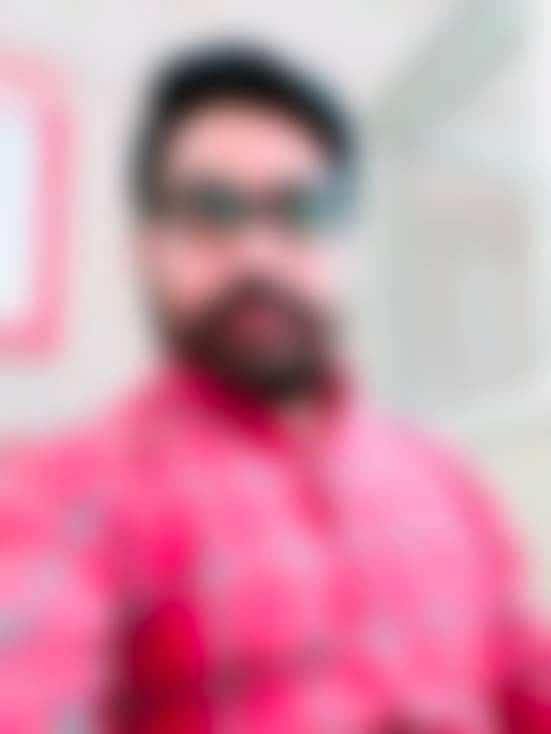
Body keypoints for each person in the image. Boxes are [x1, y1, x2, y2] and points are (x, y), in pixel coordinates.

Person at [1, 44, 550, 733]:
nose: (256, 252)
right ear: (146, 246)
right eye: (211, 209)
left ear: (347, 246)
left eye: (301, 208)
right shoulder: (64, 490)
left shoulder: (443, 475)